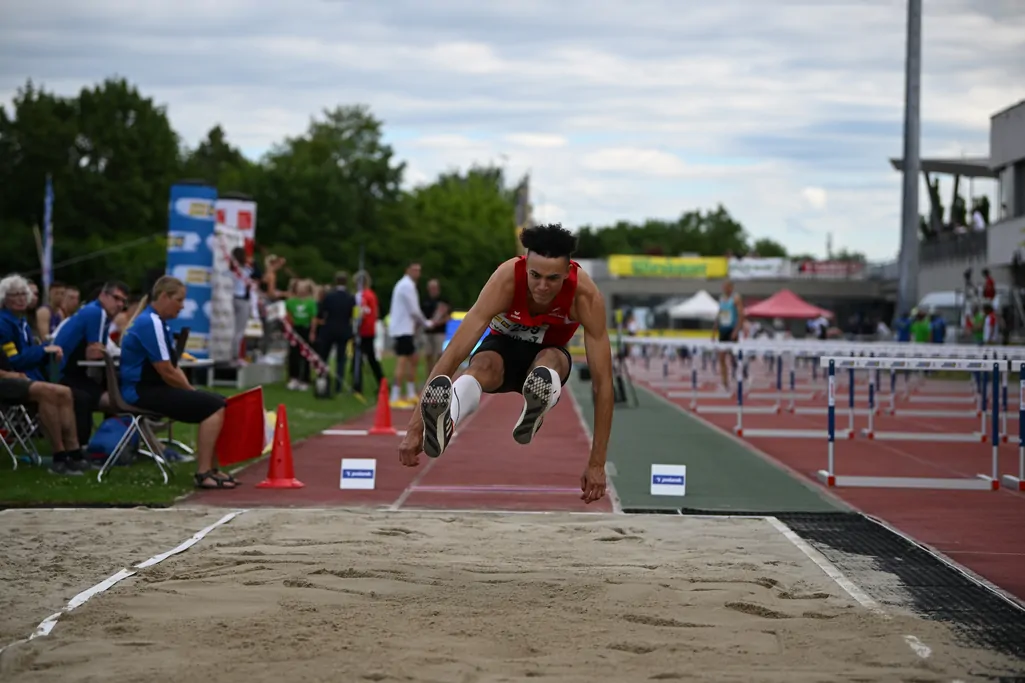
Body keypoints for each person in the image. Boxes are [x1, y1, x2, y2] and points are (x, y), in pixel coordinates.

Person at [397, 223, 612, 505]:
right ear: (525, 266)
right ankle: (447, 419)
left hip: (547, 355)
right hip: (501, 350)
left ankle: (538, 402)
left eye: (553, 278)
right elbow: (454, 354)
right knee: (480, 366)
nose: (543, 287)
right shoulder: (506, 279)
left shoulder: (586, 296)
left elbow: (603, 384)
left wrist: (597, 463)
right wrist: (414, 428)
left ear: (569, 272)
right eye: (535, 276)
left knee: (549, 363)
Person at [119, 276, 235, 490]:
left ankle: (213, 469)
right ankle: (203, 473)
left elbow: (172, 367)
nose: (182, 306)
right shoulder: (150, 322)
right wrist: (192, 392)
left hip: (150, 388)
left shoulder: (156, 322)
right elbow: (166, 371)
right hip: (140, 391)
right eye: (179, 300)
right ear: (164, 296)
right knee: (213, 406)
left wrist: (193, 393)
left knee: (219, 401)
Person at [54, 280, 129, 448]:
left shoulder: (98, 313)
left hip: (71, 372)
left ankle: (113, 444)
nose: (120, 304)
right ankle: (101, 446)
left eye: (123, 301)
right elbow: (95, 353)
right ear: (103, 295)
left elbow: (98, 351)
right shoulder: (96, 312)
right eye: (116, 298)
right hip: (61, 374)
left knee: (116, 389)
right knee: (118, 396)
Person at [387, 262, 428, 407]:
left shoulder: (406, 285)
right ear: (407, 270)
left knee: (413, 359)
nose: (417, 272)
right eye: (414, 269)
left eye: (419, 270)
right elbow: (414, 310)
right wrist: (426, 323)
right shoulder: (406, 286)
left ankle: (410, 393)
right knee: (402, 361)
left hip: (405, 329)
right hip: (402, 329)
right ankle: (395, 396)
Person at [711, 279, 743, 392]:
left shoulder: (736, 299)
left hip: (731, 331)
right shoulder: (721, 299)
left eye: (726, 286)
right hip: (722, 331)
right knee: (721, 358)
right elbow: (719, 315)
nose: (724, 288)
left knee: (733, 357)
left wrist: (736, 330)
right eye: (723, 286)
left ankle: (741, 374)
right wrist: (714, 331)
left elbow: (741, 316)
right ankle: (725, 384)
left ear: (731, 287)